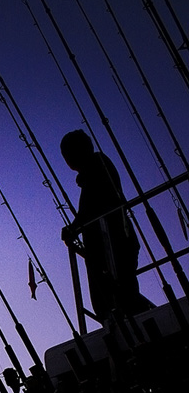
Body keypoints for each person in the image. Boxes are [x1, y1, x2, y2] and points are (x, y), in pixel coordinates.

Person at [60, 130, 152, 320]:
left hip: (114, 242)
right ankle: (134, 317)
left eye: (68, 152)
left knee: (121, 293)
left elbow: (93, 206)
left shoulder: (97, 165)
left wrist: (73, 227)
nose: (67, 159)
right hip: (107, 245)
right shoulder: (92, 172)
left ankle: (141, 318)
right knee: (117, 293)